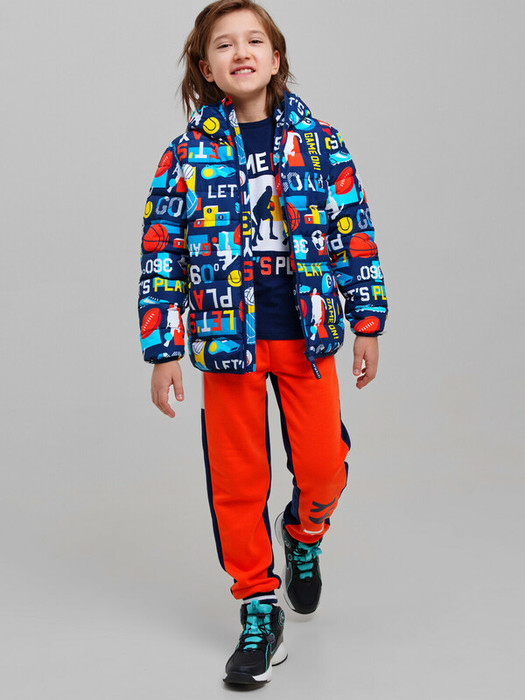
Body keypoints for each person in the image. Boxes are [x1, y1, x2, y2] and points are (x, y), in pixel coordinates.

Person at [138, 0, 388, 686]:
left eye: (254, 41)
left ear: (276, 60)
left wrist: (367, 321)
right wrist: (163, 347)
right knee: (237, 481)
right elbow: (161, 252)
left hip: (307, 336)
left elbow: (354, 231)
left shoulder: (320, 142)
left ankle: (303, 534)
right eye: (224, 44)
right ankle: (257, 605)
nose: (241, 52)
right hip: (227, 343)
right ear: (205, 68)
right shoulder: (184, 156)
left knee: (322, 468)